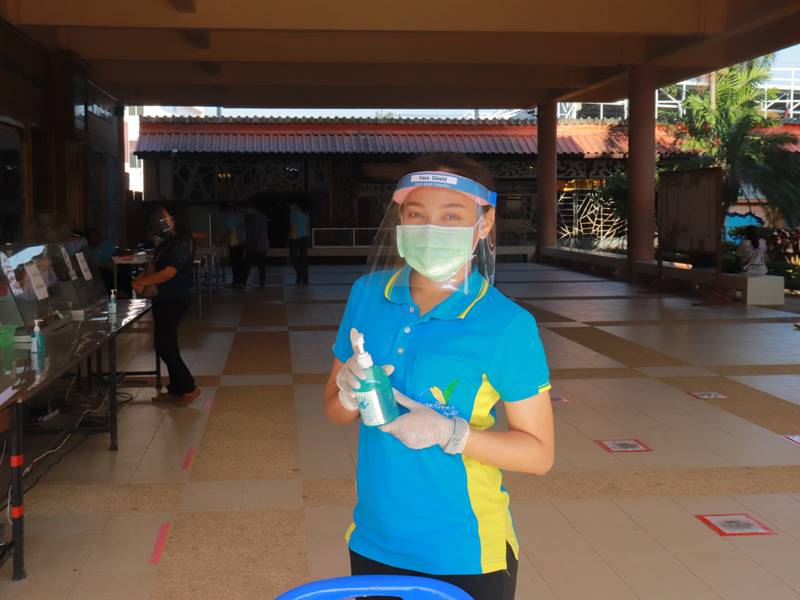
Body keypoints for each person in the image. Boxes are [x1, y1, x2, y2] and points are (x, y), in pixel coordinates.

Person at [324, 153, 555, 600]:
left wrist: (452, 434)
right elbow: (335, 413)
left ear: (484, 223)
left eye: (451, 216)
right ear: (400, 221)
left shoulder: (507, 324)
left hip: (464, 551)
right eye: (417, 215)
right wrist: (347, 394)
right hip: (373, 539)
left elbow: (539, 454)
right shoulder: (368, 294)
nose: (432, 230)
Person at [133, 205, 200, 406]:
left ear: (176, 217)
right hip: (163, 298)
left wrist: (144, 282)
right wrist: (141, 277)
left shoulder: (184, 241)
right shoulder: (168, 241)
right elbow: (156, 266)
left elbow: (170, 272)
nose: (162, 220)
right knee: (166, 344)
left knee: (164, 345)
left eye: (165, 216)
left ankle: (188, 387)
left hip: (175, 297)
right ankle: (177, 389)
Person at [223, 203, 248, 288]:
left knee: (234, 263)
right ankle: (241, 281)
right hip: (243, 240)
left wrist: (221, 242)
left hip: (234, 242)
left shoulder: (228, 217)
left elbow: (229, 231)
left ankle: (236, 281)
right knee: (241, 262)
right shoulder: (241, 216)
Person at [245, 203, 270, 288]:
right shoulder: (249, 218)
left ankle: (262, 283)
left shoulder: (262, 217)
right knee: (247, 263)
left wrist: (255, 242)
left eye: (249, 208)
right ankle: (243, 281)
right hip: (251, 245)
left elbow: (262, 231)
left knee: (261, 264)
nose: (247, 210)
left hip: (260, 245)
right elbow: (248, 231)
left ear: (253, 209)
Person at [288, 201, 310, 285]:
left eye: (291, 205)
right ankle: (305, 279)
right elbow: (307, 225)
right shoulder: (306, 213)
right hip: (305, 238)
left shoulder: (293, 214)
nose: (290, 207)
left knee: (293, 258)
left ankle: (300, 275)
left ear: (295, 205)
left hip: (295, 238)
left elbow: (292, 226)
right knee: (303, 259)